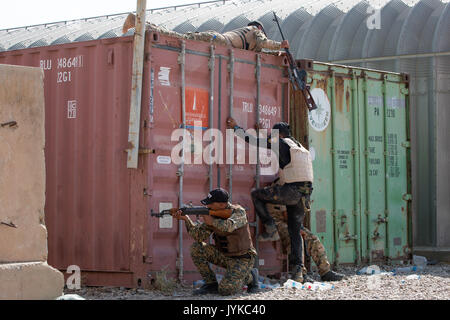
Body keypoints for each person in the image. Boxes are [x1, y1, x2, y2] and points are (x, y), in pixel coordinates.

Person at [226, 119, 312, 283]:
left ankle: (270, 227)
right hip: (304, 197)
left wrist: (236, 128)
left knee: (257, 194)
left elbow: (254, 142)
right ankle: (299, 272)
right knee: (295, 232)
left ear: (278, 135)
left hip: (291, 191)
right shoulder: (299, 147)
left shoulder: (280, 143)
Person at [172, 188, 260, 296]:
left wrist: (212, 222)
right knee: (197, 248)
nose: (207, 206)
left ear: (222, 205)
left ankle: (251, 276)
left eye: (210, 204)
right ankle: (211, 284)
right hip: (224, 256)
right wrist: (186, 219)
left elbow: (230, 226)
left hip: (242, 258)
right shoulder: (213, 214)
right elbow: (199, 236)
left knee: (226, 290)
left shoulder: (238, 212)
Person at [266, 200, 345, 282]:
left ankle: (325, 272)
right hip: (279, 224)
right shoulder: (281, 191)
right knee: (297, 240)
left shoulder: (289, 190)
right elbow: (287, 215)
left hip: (291, 223)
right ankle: (300, 274)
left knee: (313, 239)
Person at [122, 14, 288, 52]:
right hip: (219, 42)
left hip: (215, 37)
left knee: (179, 37)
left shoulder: (246, 32)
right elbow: (264, 44)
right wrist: (280, 46)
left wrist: (278, 52)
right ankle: (138, 21)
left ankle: (141, 23)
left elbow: (262, 51)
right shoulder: (255, 31)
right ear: (260, 28)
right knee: (178, 38)